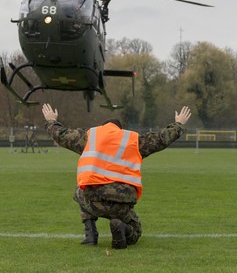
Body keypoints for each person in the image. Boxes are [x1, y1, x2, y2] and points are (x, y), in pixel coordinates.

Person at [41, 103, 192, 249]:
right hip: (121, 203)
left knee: (80, 189)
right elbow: (160, 139)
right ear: (120, 129)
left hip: (93, 201)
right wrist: (178, 124)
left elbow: (61, 135)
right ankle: (123, 229)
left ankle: (90, 234)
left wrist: (51, 121)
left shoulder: (90, 136)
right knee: (136, 232)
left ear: (103, 127)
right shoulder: (132, 139)